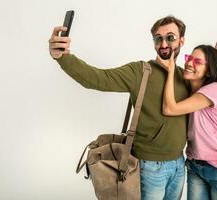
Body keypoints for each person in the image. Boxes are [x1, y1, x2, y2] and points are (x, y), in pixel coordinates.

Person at [49, 16, 189, 200]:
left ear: (181, 40)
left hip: (180, 163)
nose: (163, 43)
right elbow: (97, 78)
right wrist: (63, 57)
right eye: (158, 38)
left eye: (170, 37)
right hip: (150, 167)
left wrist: (215, 64)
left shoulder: (186, 76)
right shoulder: (140, 71)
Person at [156, 45, 217, 200]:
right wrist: (211, 62)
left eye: (197, 61)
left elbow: (169, 108)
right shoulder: (195, 90)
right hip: (195, 166)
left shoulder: (214, 89)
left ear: (209, 71)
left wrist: (171, 71)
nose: (189, 63)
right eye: (189, 58)